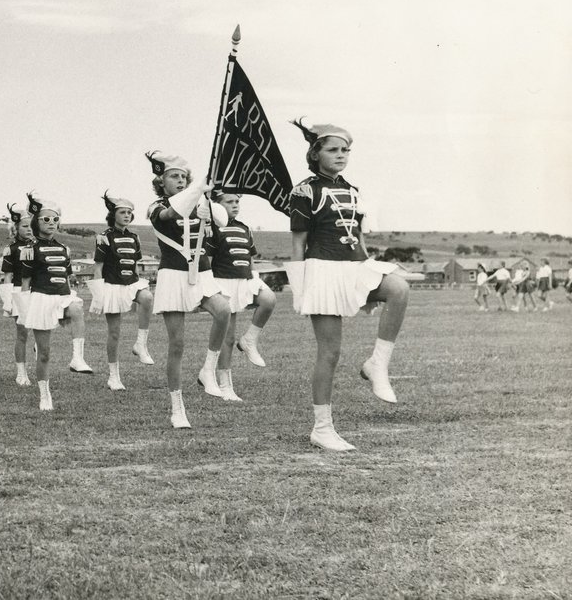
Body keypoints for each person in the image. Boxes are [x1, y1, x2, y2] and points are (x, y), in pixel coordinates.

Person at [284, 120, 410, 452]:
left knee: (398, 288)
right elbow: (298, 244)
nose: (341, 155)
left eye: (345, 150)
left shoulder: (353, 190)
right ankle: (322, 428)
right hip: (323, 272)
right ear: (315, 154)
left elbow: (359, 239)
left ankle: (377, 363)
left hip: (354, 266)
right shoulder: (304, 191)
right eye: (333, 150)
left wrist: (368, 272)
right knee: (330, 353)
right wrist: (300, 288)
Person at [145, 151, 232, 429]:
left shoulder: (198, 202)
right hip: (173, 275)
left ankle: (208, 369)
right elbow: (172, 212)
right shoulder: (155, 206)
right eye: (174, 176)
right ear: (161, 181)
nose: (180, 181)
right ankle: (177, 407)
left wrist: (209, 202)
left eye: (184, 177)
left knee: (224, 310)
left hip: (202, 272)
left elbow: (223, 221)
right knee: (177, 345)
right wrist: (197, 190)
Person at [205, 190, 276, 401]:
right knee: (227, 339)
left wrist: (254, 277)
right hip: (224, 282)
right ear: (217, 206)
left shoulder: (244, 228)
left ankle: (249, 340)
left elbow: (250, 256)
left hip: (246, 278)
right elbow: (208, 260)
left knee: (269, 299)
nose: (235, 205)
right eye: (229, 202)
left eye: (237, 201)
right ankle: (225, 385)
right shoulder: (212, 228)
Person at [19, 193, 87, 411]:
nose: (51, 223)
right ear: (36, 222)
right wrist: (25, 312)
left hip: (63, 296)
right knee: (44, 353)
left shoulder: (64, 249)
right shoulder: (29, 249)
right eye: (46, 219)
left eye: (55, 219)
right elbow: (25, 283)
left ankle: (77, 358)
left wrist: (69, 293)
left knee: (76, 308)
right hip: (41, 299)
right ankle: (44, 394)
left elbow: (66, 277)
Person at [87, 192, 154, 391]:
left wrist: (137, 285)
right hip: (112, 286)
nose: (126, 216)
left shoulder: (134, 237)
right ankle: (113, 376)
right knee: (114, 333)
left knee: (148, 297)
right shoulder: (104, 237)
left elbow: (135, 265)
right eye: (122, 212)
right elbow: (98, 267)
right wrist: (99, 295)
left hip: (131, 283)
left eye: (129, 213)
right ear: (113, 215)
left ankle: (140, 344)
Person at [0, 202, 34, 386]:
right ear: (16, 228)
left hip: (40, 292)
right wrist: (8, 301)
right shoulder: (11, 249)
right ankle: (21, 372)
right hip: (20, 292)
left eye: (31, 225)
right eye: (25, 226)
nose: (29, 229)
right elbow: (7, 276)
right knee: (22, 333)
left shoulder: (40, 246)